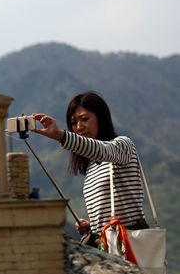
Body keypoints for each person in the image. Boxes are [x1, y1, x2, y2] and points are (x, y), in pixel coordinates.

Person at [32, 91, 146, 244]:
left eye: (84, 119)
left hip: (131, 244)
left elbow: (103, 150)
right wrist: (93, 227)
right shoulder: (91, 166)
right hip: (110, 246)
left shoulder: (123, 145)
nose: (79, 127)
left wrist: (59, 135)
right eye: (73, 123)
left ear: (101, 118)